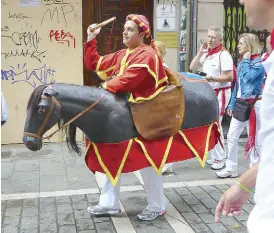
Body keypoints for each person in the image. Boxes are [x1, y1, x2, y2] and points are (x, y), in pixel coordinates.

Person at [84, 14, 167, 221]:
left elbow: (128, 80)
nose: (124, 31)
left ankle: (157, 205)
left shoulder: (147, 54)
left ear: (141, 34)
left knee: (149, 161)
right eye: (124, 28)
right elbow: (96, 63)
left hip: (147, 118)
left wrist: (104, 87)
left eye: (130, 29)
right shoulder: (124, 53)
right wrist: (91, 38)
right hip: (126, 117)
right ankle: (109, 203)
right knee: (113, 156)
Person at [215, 0, 274, 232]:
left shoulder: (258, 63)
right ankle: (230, 165)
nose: (240, 1)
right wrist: (245, 184)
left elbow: (248, 81)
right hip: (265, 211)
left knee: (254, 142)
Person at [216, 33, 265, 178]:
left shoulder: (258, 63)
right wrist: (231, 104)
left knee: (254, 139)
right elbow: (238, 86)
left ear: (249, 45)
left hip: (255, 105)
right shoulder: (244, 61)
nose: (238, 46)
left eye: (242, 43)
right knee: (231, 136)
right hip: (241, 104)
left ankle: (255, 169)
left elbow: (248, 78)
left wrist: (245, 62)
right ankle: (231, 168)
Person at [189, 26, 234, 170]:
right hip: (209, 93)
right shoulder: (208, 54)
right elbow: (192, 67)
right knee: (211, 124)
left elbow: (229, 76)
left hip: (220, 93)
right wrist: (200, 52)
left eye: (213, 37)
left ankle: (220, 158)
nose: (209, 39)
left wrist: (211, 78)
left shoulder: (224, 55)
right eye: (208, 36)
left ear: (220, 39)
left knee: (216, 125)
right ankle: (216, 156)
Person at [153, 40, 173, 173]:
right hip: (157, 104)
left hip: (163, 104)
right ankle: (164, 162)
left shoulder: (163, 67)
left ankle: (167, 162)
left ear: (159, 52)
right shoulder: (157, 66)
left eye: (154, 50)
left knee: (164, 135)